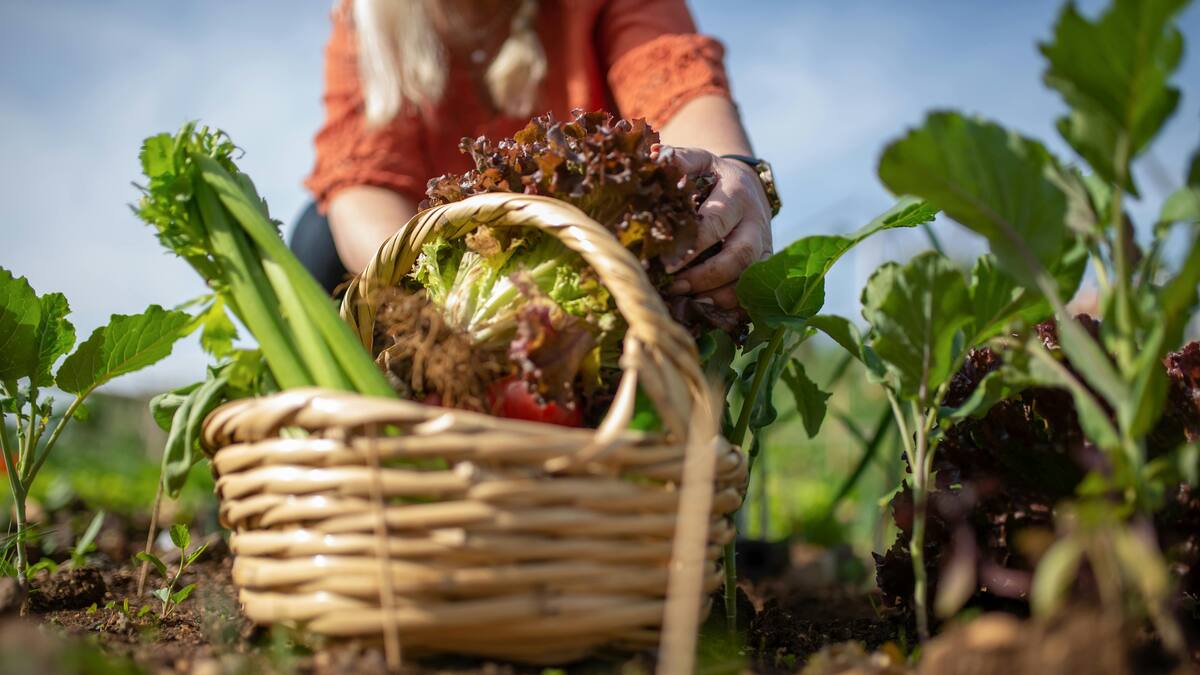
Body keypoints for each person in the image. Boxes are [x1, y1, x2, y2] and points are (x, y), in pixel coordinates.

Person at [292, 0, 780, 311]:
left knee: (698, 239)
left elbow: (678, 86)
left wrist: (732, 171)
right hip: (446, 289)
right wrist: (463, 309)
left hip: (596, 274)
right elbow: (364, 189)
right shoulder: (367, 21)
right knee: (317, 240)